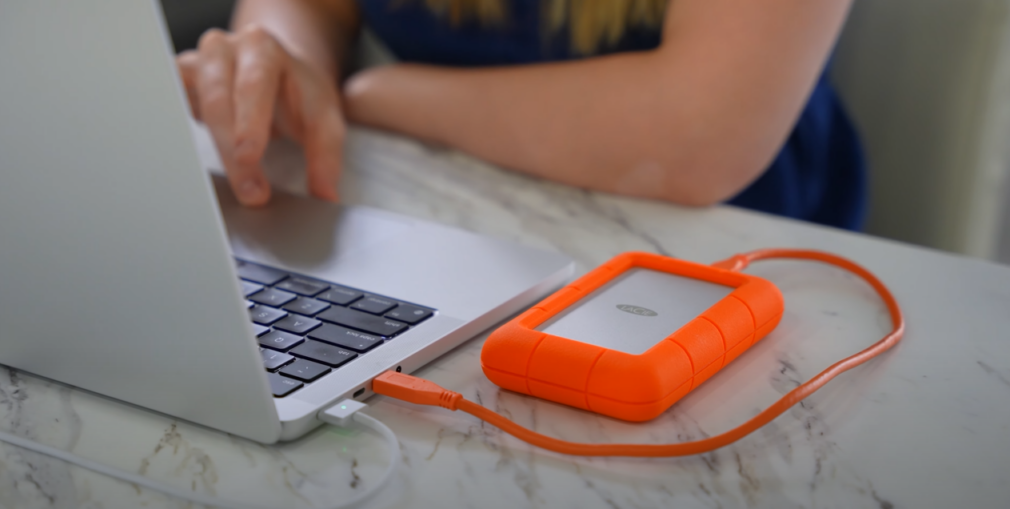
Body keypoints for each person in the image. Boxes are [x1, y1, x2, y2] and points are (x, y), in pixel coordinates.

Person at [177, 0, 865, 230]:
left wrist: (384, 96)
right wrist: (284, 61)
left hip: (710, 244)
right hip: (434, 203)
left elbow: (698, 134)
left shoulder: (385, 100)